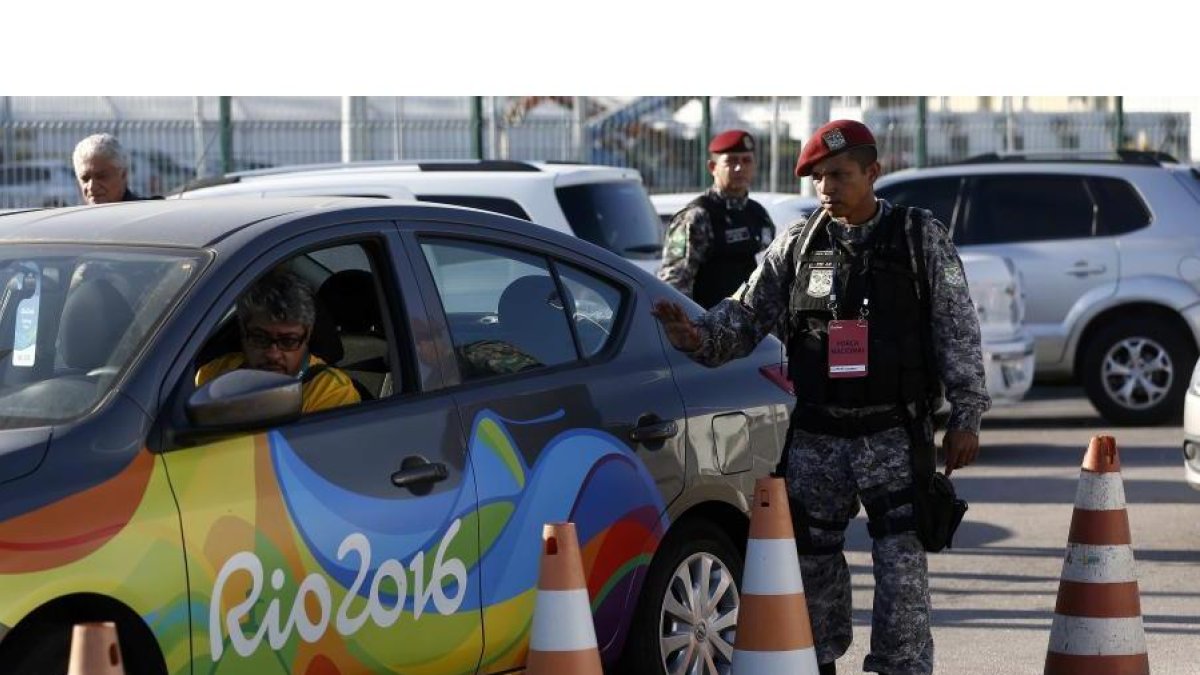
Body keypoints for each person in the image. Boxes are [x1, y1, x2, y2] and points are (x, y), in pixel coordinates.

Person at [651, 119, 990, 675]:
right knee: (808, 563)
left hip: (893, 432)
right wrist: (696, 337)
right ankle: (814, 662)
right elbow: (742, 316)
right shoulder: (799, 243)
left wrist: (967, 415)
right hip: (817, 436)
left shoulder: (917, 235)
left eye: (839, 175)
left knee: (902, 569)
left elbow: (957, 328)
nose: (827, 188)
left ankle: (899, 667)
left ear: (873, 173)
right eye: (817, 179)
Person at [196, 269, 360, 414]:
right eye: (260, 338)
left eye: (288, 341)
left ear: (307, 336)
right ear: (243, 333)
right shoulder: (213, 374)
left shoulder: (331, 392)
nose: (273, 354)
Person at [657, 129, 776, 309]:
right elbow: (673, 284)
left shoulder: (758, 214)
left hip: (749, 328)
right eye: (731, 161)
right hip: (707, 325)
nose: (739, 168)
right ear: (713, 167)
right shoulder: (696, 217)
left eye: (746, 160)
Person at [72, 133, 144, 204]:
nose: (92, 187)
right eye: (85, 179)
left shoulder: (146, 213)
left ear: (123, 175)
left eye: (101, 177)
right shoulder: (76, 215)